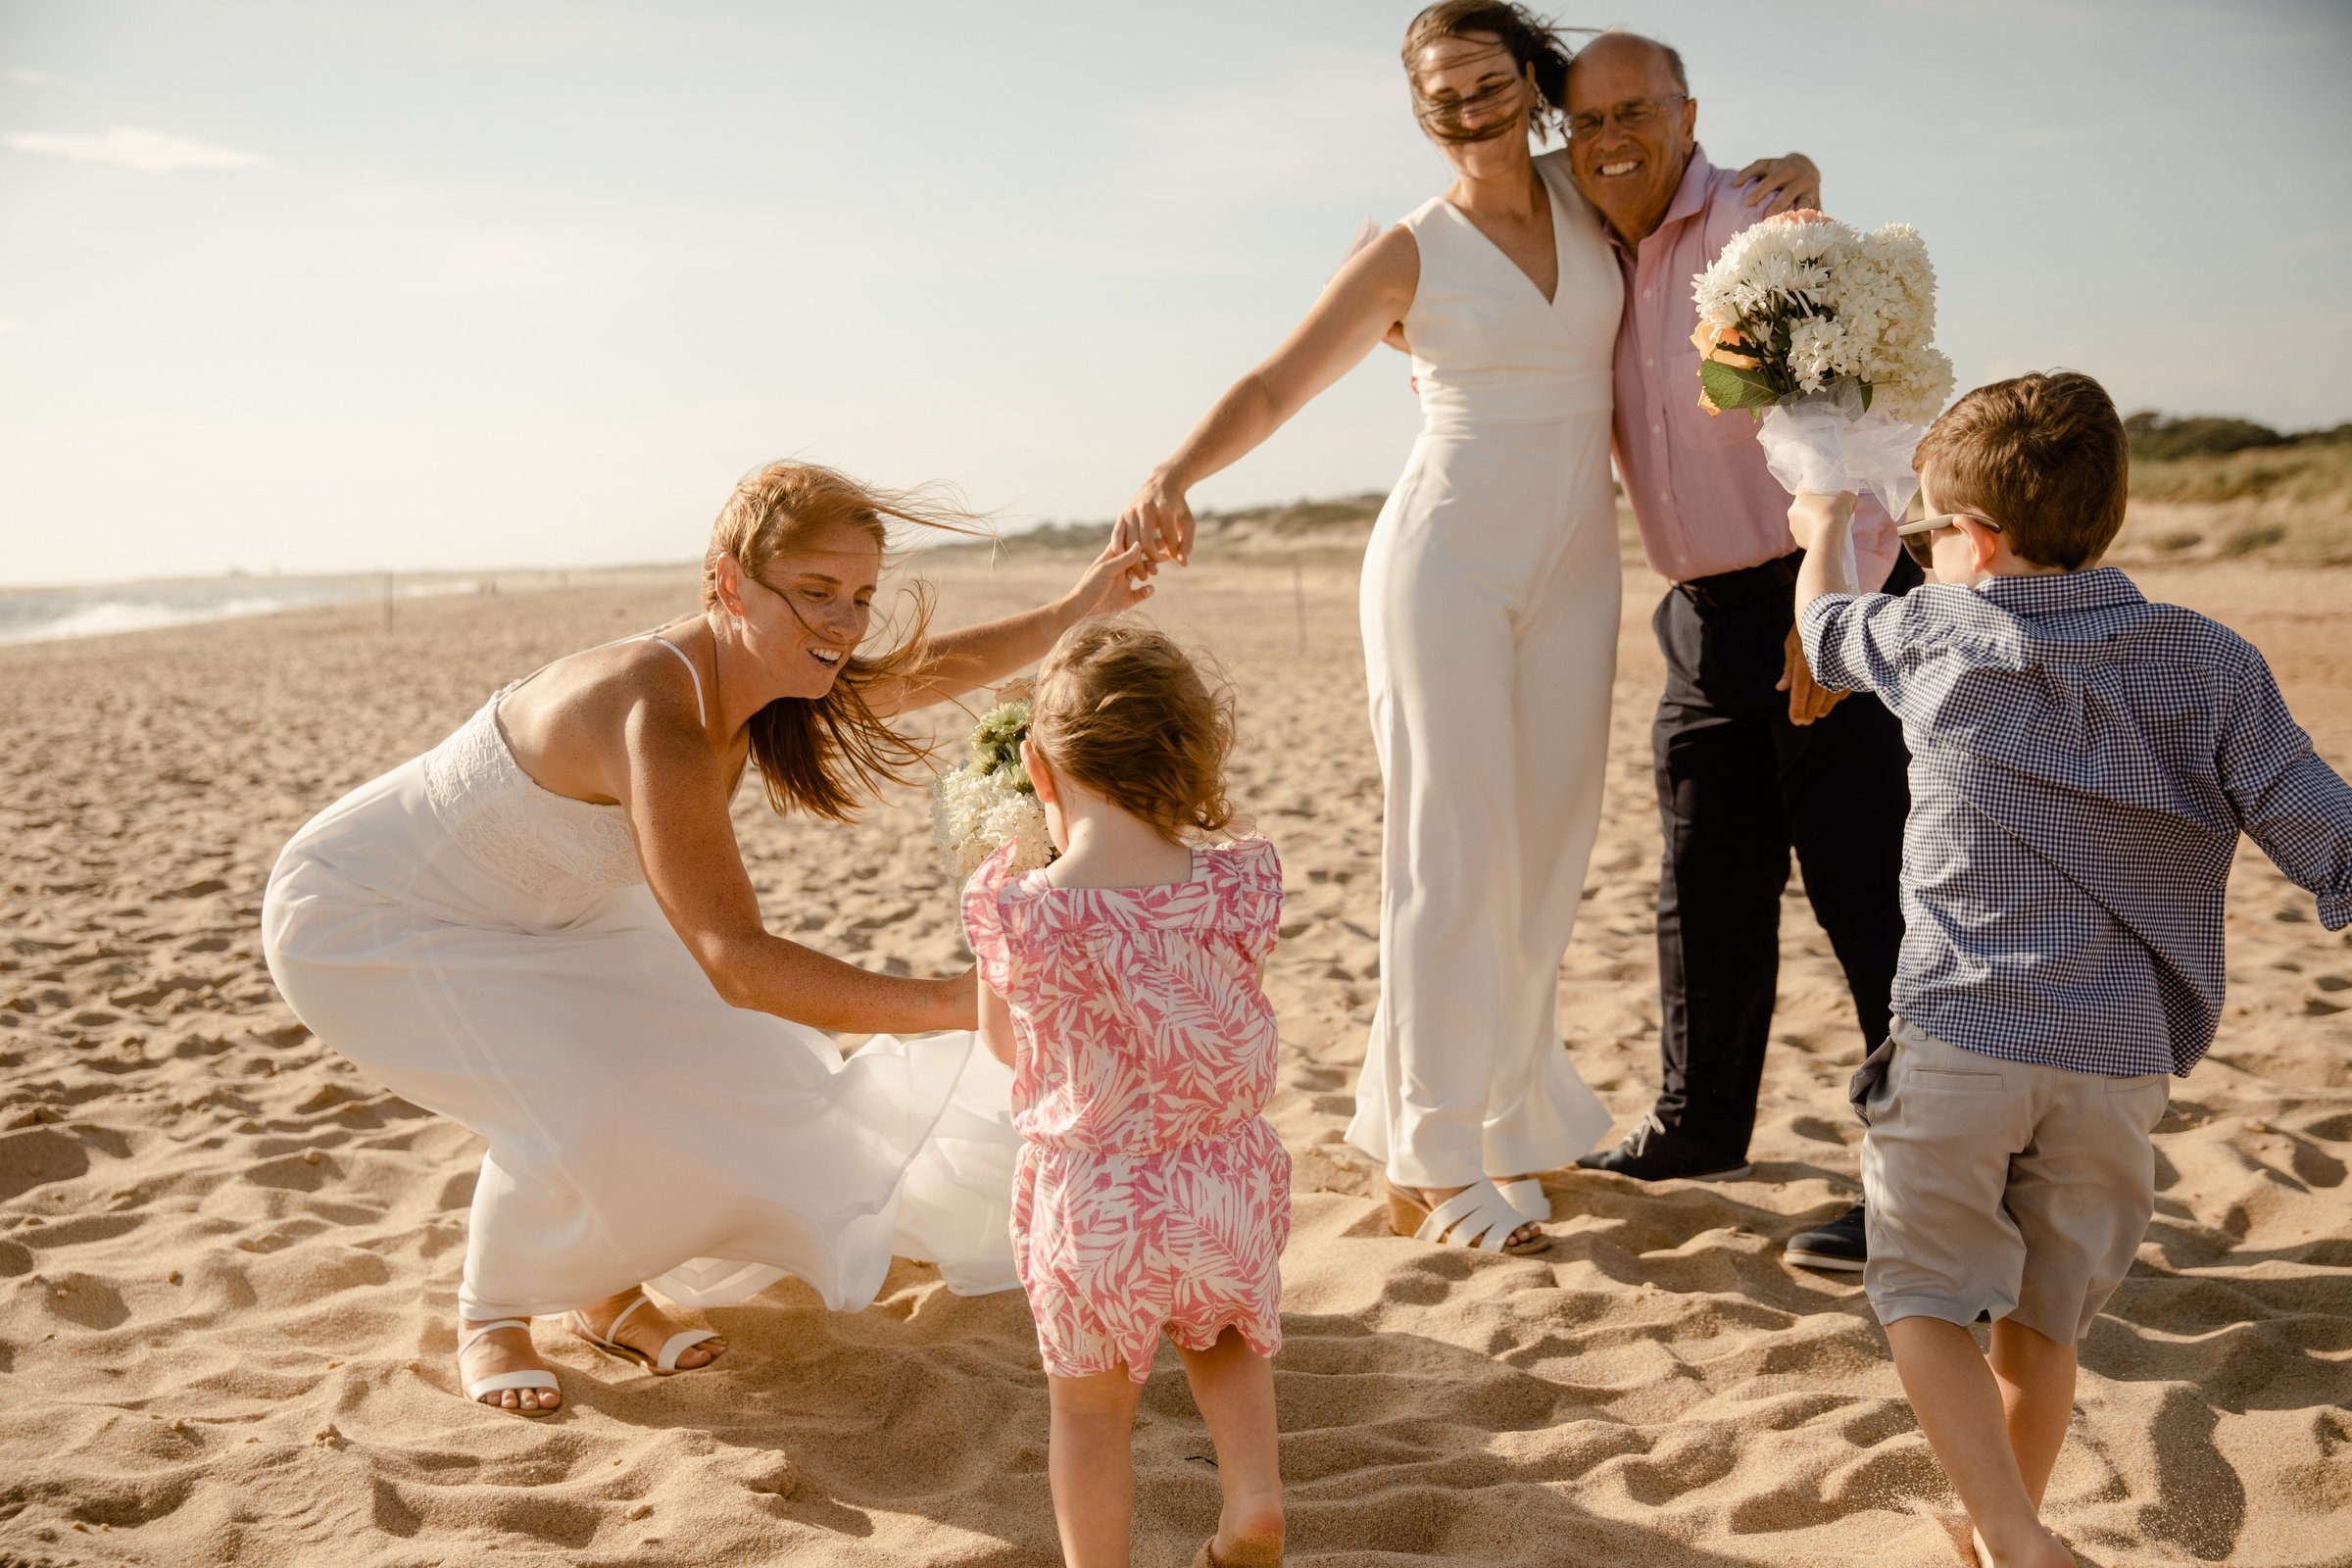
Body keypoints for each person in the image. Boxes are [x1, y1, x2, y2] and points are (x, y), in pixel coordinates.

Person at [1116, 1, 1818, 1255]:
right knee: (1453, 845)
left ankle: (1497, 1113)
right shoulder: (1407, 250)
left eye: (1487, 81)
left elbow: (1679, 172)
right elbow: (1280, 379)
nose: (1466, 108)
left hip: (1576, 566)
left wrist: (1797, 175)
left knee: (1548, 844)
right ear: (1420, 110)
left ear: (1530, 84)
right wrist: (1175, 471)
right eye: (1439, 94)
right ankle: (1434, 1157)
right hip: (1446, 556)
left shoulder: (1589, 192)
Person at [262, 460, 1153, 1414]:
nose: (845, 625)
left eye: (860, 596)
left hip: (554, 907)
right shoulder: (657, 709)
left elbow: (918, 677)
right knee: (580, 1090)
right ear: (730, 581)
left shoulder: (769, 671)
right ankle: (493, 1312)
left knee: (729, 1067)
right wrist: (956, 1000)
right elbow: (735, 959)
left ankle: (604, 1294)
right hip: (376, 914)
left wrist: (1074, 605)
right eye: (815, 593)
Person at [1790, 371, 2352, 1566]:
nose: (1933, 551)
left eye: (1936, 531)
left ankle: (2009, 1529)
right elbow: (2323, 828)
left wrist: (1826, 525)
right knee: (2043, 1324)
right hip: (2116, 1062)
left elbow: (1824, 630)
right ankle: (2015, 1534)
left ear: (1976, 543)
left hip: (1961, 1036)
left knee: (1920, 1297)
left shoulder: (1934, 633)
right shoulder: (2211, 662)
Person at [1559, 30, 1895, 1273]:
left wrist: (1842, 605)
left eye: (1631, 112)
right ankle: (1701, 1124)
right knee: (1703, 882)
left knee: (1870, 893)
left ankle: (1920, 1168)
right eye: (1584, 122)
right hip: (1698, 614)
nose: (1608, 141)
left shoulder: (1764, 224)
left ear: (1686, 111)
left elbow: (1856, 424)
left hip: (1824, 593)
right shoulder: (1590, 249)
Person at [963, 622, 1288, 1568]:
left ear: (1037, 767)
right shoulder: (1237, 883)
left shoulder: (1018, 909)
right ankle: (1254, 1498)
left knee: (1091, 1407)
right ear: (1188, 751)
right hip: (1219, 1181)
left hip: (1096, 1203)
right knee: (1227, 1336)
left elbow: (1000, 1044)